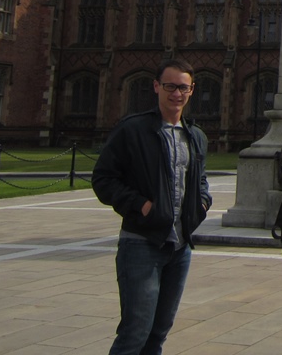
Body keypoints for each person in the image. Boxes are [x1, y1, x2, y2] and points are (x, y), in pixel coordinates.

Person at [92, 57, 212, 355]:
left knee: (158, 333)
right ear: (157, 86)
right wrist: (141, 206)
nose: (176, 94)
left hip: (179, 248)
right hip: (141, 244)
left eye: (183, 87)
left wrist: (202, 203)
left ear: (191, 90)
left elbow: (200, 180)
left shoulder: (195, 136)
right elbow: (103, 179)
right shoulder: (132, 130)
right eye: (170, 86)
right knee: (135, 333)